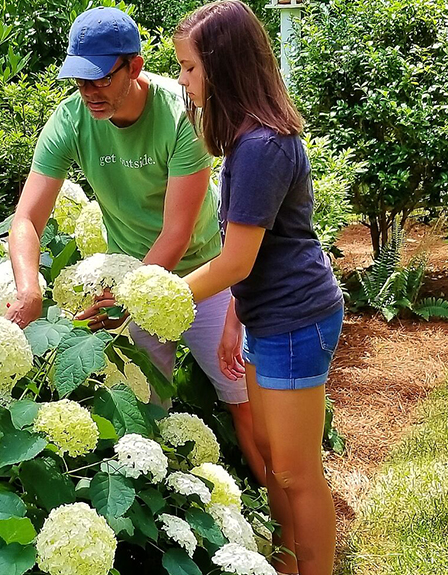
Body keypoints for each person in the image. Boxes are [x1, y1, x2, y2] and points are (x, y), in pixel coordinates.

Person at [3, 6, 265, 485]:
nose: (89, 92)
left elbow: (176, 233)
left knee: (245, 400)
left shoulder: (182, 110)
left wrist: (128, 298)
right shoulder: (70, 119)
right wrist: (28, 288)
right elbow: (26, 219)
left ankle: (276, 506)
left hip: (202, 275)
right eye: (79, 80)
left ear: (135, 66)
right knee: (142, 415)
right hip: (132, 276)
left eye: (100, 79)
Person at [173, 2, 345, 574]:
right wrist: (232, 319)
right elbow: (249, 255)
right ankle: (289, 563)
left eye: (190, 68)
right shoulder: (247, 141)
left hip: (295, 320)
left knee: (297, 472)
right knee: (273, 460)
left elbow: (236, 261)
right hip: (264, 316)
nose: (183, 80)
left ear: (223, 69)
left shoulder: (263, 147)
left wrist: (153, 300)